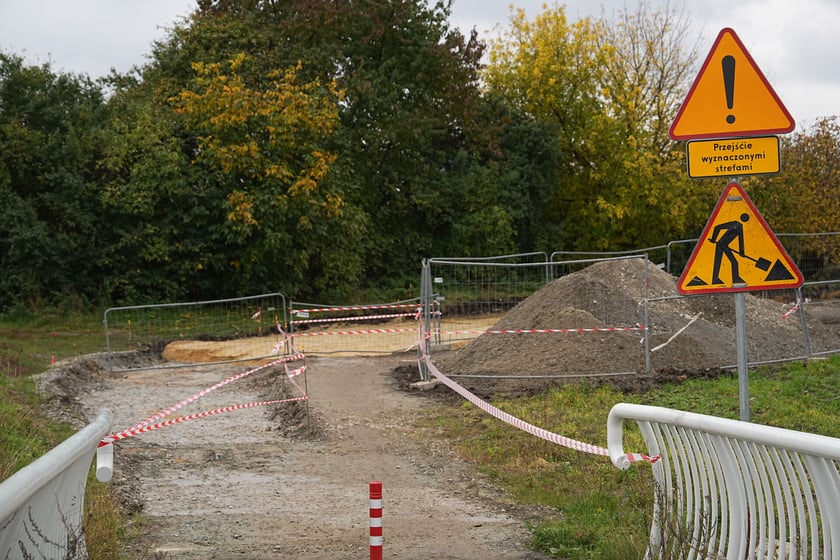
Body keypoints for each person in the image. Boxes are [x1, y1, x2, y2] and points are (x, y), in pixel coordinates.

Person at [709, 213, 749, 284]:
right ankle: (734, 279)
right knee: (729, 262)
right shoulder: (734, 224)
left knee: (721, 262)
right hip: (721, 245)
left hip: (723, 245)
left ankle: (717, 279)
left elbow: (741, 240)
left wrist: (741, 253)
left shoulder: (739, 226)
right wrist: (713, 239)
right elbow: (717, 227)